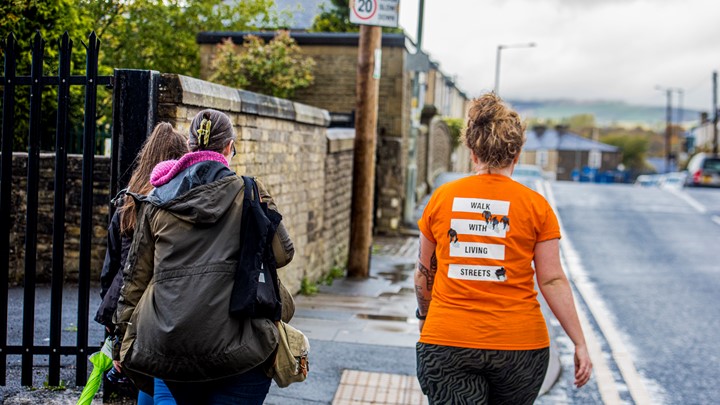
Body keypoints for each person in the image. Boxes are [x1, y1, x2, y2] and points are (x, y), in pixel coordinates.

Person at [414, 93, 592, 404]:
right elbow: (551, 279)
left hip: (448, 340)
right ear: (518, 152)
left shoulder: (442, 198)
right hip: (520, 347)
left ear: (472, 150)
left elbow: (424, 274)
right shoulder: (537, 206)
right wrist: (579, 342)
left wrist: (426, 318)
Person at [113, 109, 294, 405]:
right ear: (229, 147)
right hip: (240, 348)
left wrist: (121, 337)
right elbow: (282, 252)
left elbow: (135, 279)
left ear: (189, 144)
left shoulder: (157, 200)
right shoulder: (248, 192)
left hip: (170, 350)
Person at [93, 122, 187, 404]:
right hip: (162, 313)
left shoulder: (127, 203)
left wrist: (116, 331)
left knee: (146, 388)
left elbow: (113, 274)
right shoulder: (176, 203)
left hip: (130, 315)